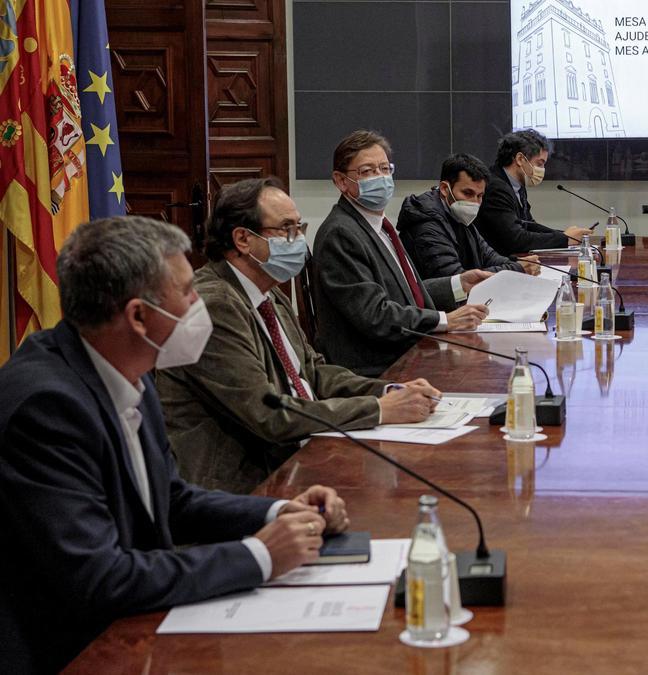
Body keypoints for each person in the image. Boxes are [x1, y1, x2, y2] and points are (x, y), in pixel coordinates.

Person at [0, 215, 351, 672]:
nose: (199, 301)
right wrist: (260, 555)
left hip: (132, 628)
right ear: (139, 317)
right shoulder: (47, 407)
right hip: (70, 652)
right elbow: (99, 578)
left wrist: (278, 513)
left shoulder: (126, 366)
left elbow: (170, 498)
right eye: (187, 293)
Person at [157, 178, 442, 493]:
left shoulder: (267, 291)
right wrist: (380, 410)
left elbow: (313, 373)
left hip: (296, 454)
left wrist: (388, 390)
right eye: (285, 229)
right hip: (244, 483)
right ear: (242, 239)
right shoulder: (214, 306)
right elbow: (268, 414)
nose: (297, 241)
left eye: (298, 228)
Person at [313, 130, 492, 377]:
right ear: (341, 181)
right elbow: (375, 315)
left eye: (385, 169)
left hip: (408, 352)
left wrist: (459, 284)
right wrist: (444, 320)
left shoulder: (379, 226)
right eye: (367, 171)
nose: (380, 178)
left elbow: (404, 294)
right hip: (377, 368)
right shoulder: (341, 234)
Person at [399, 153, 540, 279]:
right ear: (444, 189)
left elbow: (490, 257)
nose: (474, 202)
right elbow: (456, 280)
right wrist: (517, 268)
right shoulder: (426, 223)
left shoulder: (459, 216)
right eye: (467, 193)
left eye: (480, 196)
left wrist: (518, 264)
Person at [474, 129, 591, 256]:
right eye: (539, 164)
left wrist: (563, 235)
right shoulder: (496, 187)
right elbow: (515, 239)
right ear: (520, 159)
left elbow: (528, 224)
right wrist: (565, 239)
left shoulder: (517, 184)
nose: (542, 170)